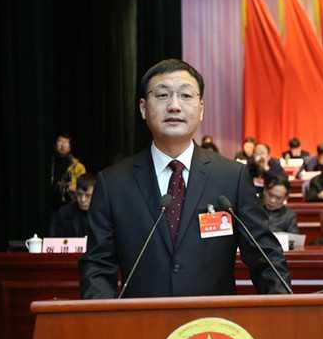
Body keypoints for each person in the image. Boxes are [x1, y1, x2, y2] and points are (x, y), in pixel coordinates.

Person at [79, 59, 291, 298]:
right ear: (143, 108)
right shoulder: (113, 183)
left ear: (201, 109)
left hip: (212, 320)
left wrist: (283, 307)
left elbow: (265, 257)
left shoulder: (232, 177)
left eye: (186, 95)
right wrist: (101, 315)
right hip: (141, 320)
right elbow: (97, 266)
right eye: (162, 95)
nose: (174, 106)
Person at [50, 173, 96, 237]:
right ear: (76, 192)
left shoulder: (103, 215)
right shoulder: (64, 212)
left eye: (88, 195)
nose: (82, 199)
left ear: (96, 195)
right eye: (79, 194)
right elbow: (56, 239)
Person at [51, 133, 87, 210]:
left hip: (69, 205)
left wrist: (71, 187)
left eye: (66, 142)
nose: (62, 145)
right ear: (55, 145)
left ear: (70, 147)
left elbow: (84, 187)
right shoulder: (48, 163)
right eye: (60, 141)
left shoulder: (78, 166)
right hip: (51, 204)